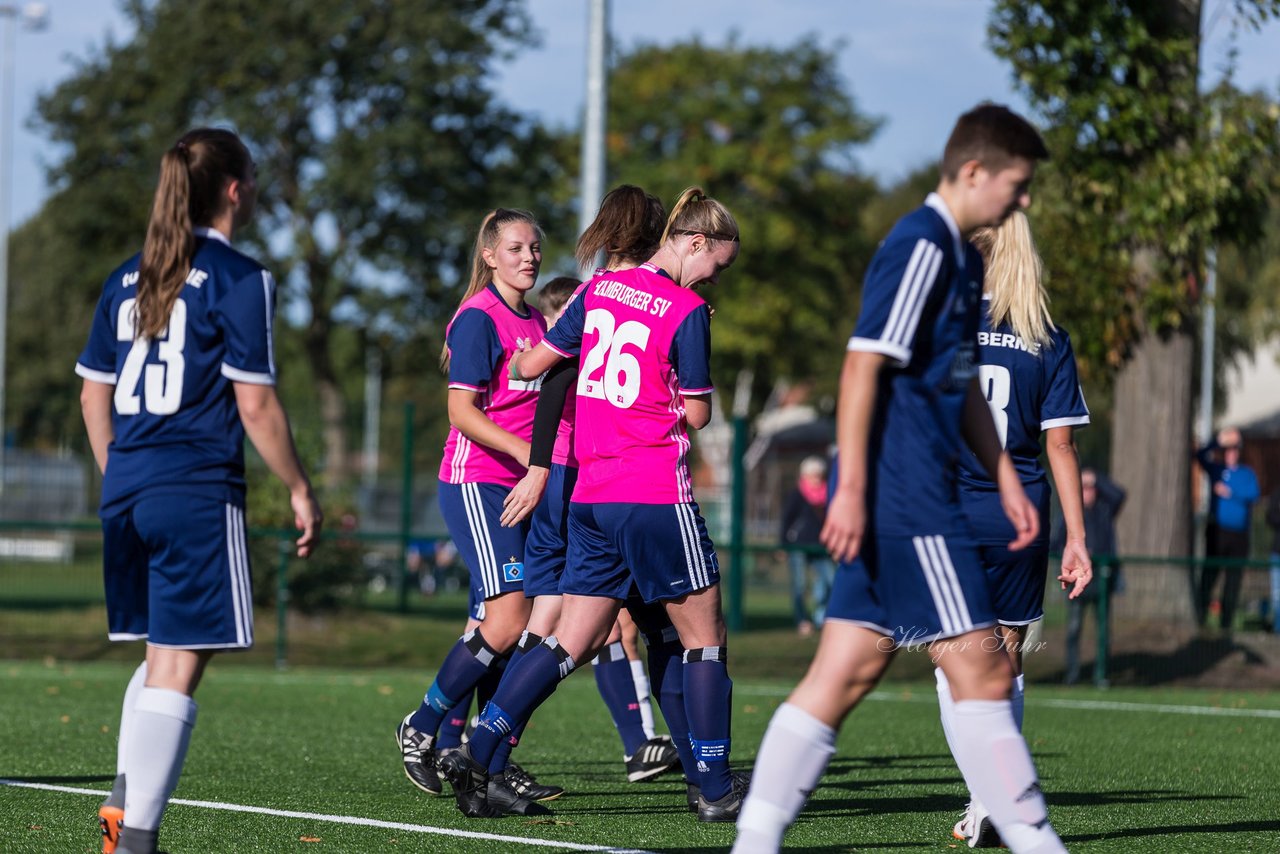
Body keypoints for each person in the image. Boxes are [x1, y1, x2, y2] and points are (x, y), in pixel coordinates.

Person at [732, 104, 1067, 854]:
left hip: (915, 495)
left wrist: (1007, 483)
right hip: (908, 500)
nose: (1023, 202)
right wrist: (851, 487)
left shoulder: (959, 256)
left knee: (843, 673)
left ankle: (753, 841)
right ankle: (1038, 843)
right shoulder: (920, 245)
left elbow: (965, 384)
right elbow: (861, 367)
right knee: (984, 667)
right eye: (1017, 184)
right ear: (973, 172)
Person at [440, 186, 746, 822]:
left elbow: (529, 364)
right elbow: (697, 411)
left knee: (569, 639)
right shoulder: (686, 309)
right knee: (704, 639)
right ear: (694, 243)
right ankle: (714, 785)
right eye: (718, 263)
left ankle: (483, 745)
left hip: (590, 494)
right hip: (656, 491)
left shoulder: (598, 291)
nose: (717, 276)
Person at [76, 128, 322, 854]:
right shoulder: (241, 278)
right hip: (193, 489)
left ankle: (126, 799)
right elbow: (257, 407)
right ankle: (136, 836)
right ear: (237, 190)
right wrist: (300, 488)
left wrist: (121, 473)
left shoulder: (126, 275)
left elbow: (94, 398)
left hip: (126, 488)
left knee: (165, 653)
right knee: (180, 662)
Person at [396, 208, 561, 816]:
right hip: (477, 482)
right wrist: (528, 455)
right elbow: (461, 412)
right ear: (490, 256)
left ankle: (481, 755)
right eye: (516, 248)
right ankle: (424, 722)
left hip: (521, 491)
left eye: (536, 248)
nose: (529, 257)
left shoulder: (538, 321)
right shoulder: (477, 318)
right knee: (509, 617)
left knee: (511, 622)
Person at [943, 209, 1092, 846]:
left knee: (955, 663)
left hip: (951, 513)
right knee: (1007, 659)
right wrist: (1078, 540)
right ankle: (994, 804)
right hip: (1021, 517)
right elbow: (1061, 449)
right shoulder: (1048, 338)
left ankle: (988, 801)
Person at [512, 264, 681, 788]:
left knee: (612, 626)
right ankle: (485, 738)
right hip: (569, 487)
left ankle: (639, 746)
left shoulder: (598, 344)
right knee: (547, 624)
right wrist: (539, 469)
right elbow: (545, 396)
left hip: (595, 487)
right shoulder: (571, 357)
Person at [1054, 468, 1126, 685]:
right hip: (1078, 580)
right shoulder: (1069, 515)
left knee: (1103, 629)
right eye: (1082, 488)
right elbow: (1056, 543)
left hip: (1101, 580)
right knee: (1074, 628)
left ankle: (1100, 673)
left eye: (1090, 488)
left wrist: (1095, 478)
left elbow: (1119, 495)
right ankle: (1072, 674)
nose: (1087, 492)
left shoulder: (1104, 510)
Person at [1194, 427, 1259, 633]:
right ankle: (1200, 619)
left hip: (1239, 535)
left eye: (1234, 449)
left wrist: (1230, 492)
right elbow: (1199, 455)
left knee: (1233, 581)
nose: (1231, 453)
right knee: (1209, 577)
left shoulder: (1246, 474)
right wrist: (1217, 441)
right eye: (1227, 449)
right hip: (1218, 532)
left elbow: (1253, 494)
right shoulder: (1217, 470)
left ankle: (1226, 625)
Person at [779, 456, 837, 636]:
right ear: (805, 475)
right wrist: (783, 545)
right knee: (800, 585)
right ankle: (802, 620)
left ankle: (821, 617)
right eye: (813, 475)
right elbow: (787, 520)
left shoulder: (829, 493)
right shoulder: (797, 494)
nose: (817, 479)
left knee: (830, 580)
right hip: (798, 546)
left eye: (819, 475)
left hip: (821, 546)